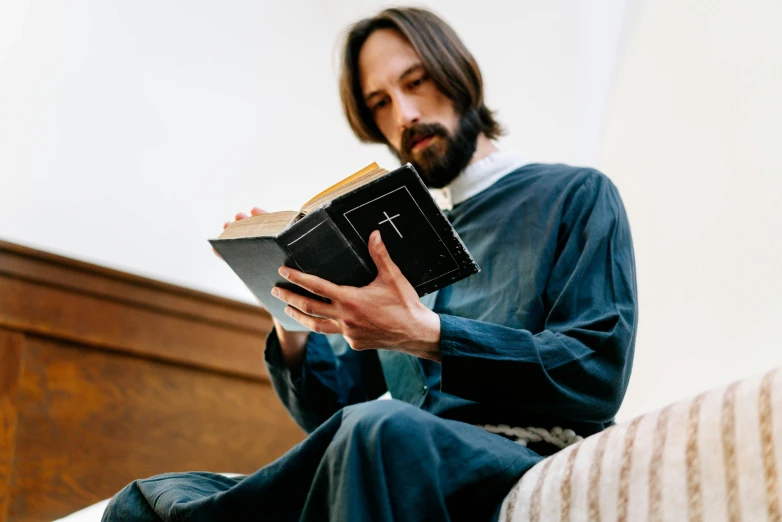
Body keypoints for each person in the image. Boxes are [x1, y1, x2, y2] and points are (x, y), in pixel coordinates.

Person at [102, 7, 637, 522]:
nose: (404, 116)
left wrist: (424, 333)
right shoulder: (387, 230)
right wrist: (286, 305)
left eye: (416, 81)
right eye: (380, 102)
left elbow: (595, 371)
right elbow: (329, 404)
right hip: (390, 453)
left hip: (513, 459)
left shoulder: (576, 194)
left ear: (458, 76)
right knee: (145, 502)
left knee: (374, 430)